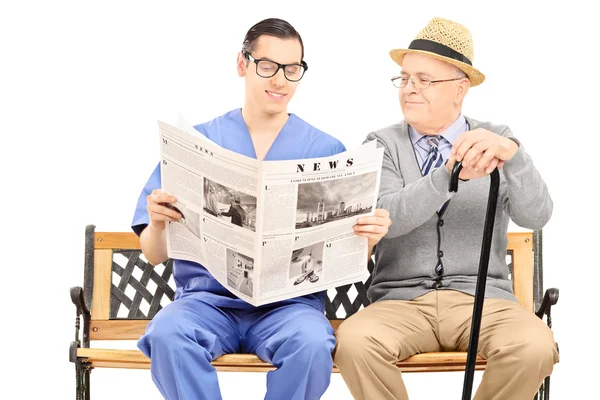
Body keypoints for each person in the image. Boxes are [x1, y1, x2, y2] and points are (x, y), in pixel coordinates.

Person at [131, 17, 391, 400]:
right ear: (243, 64)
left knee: (312, 342)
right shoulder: (197, 144)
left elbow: (345, 260)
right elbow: (153, 253)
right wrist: (156, 222)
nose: (280, 80)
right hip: (206, 303)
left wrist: (369, 238)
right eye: (267, 66)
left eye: (292, 69)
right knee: (169, 334)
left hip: (289, 309)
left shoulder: (328, 151)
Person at [333, 17, 559, 400]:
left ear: (460, 88)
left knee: (534, 345)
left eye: (424, 80)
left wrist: (514, 157)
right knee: (354, 342)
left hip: (483, 301)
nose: (409, 89)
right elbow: (389, 216)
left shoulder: (496, 139)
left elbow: (536, 216)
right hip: (399, 303)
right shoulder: (380, 144)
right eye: (404, 79)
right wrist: (448, 175)